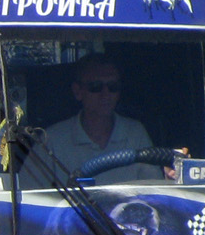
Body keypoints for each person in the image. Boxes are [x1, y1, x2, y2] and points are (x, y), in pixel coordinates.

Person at [32, 55, 162, 184]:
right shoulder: (51, 140)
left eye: (112, 86)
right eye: (96, 86)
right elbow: (31, 196)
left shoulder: (135, 133)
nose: (106, 94)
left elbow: (155, 193)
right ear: (78, 91)